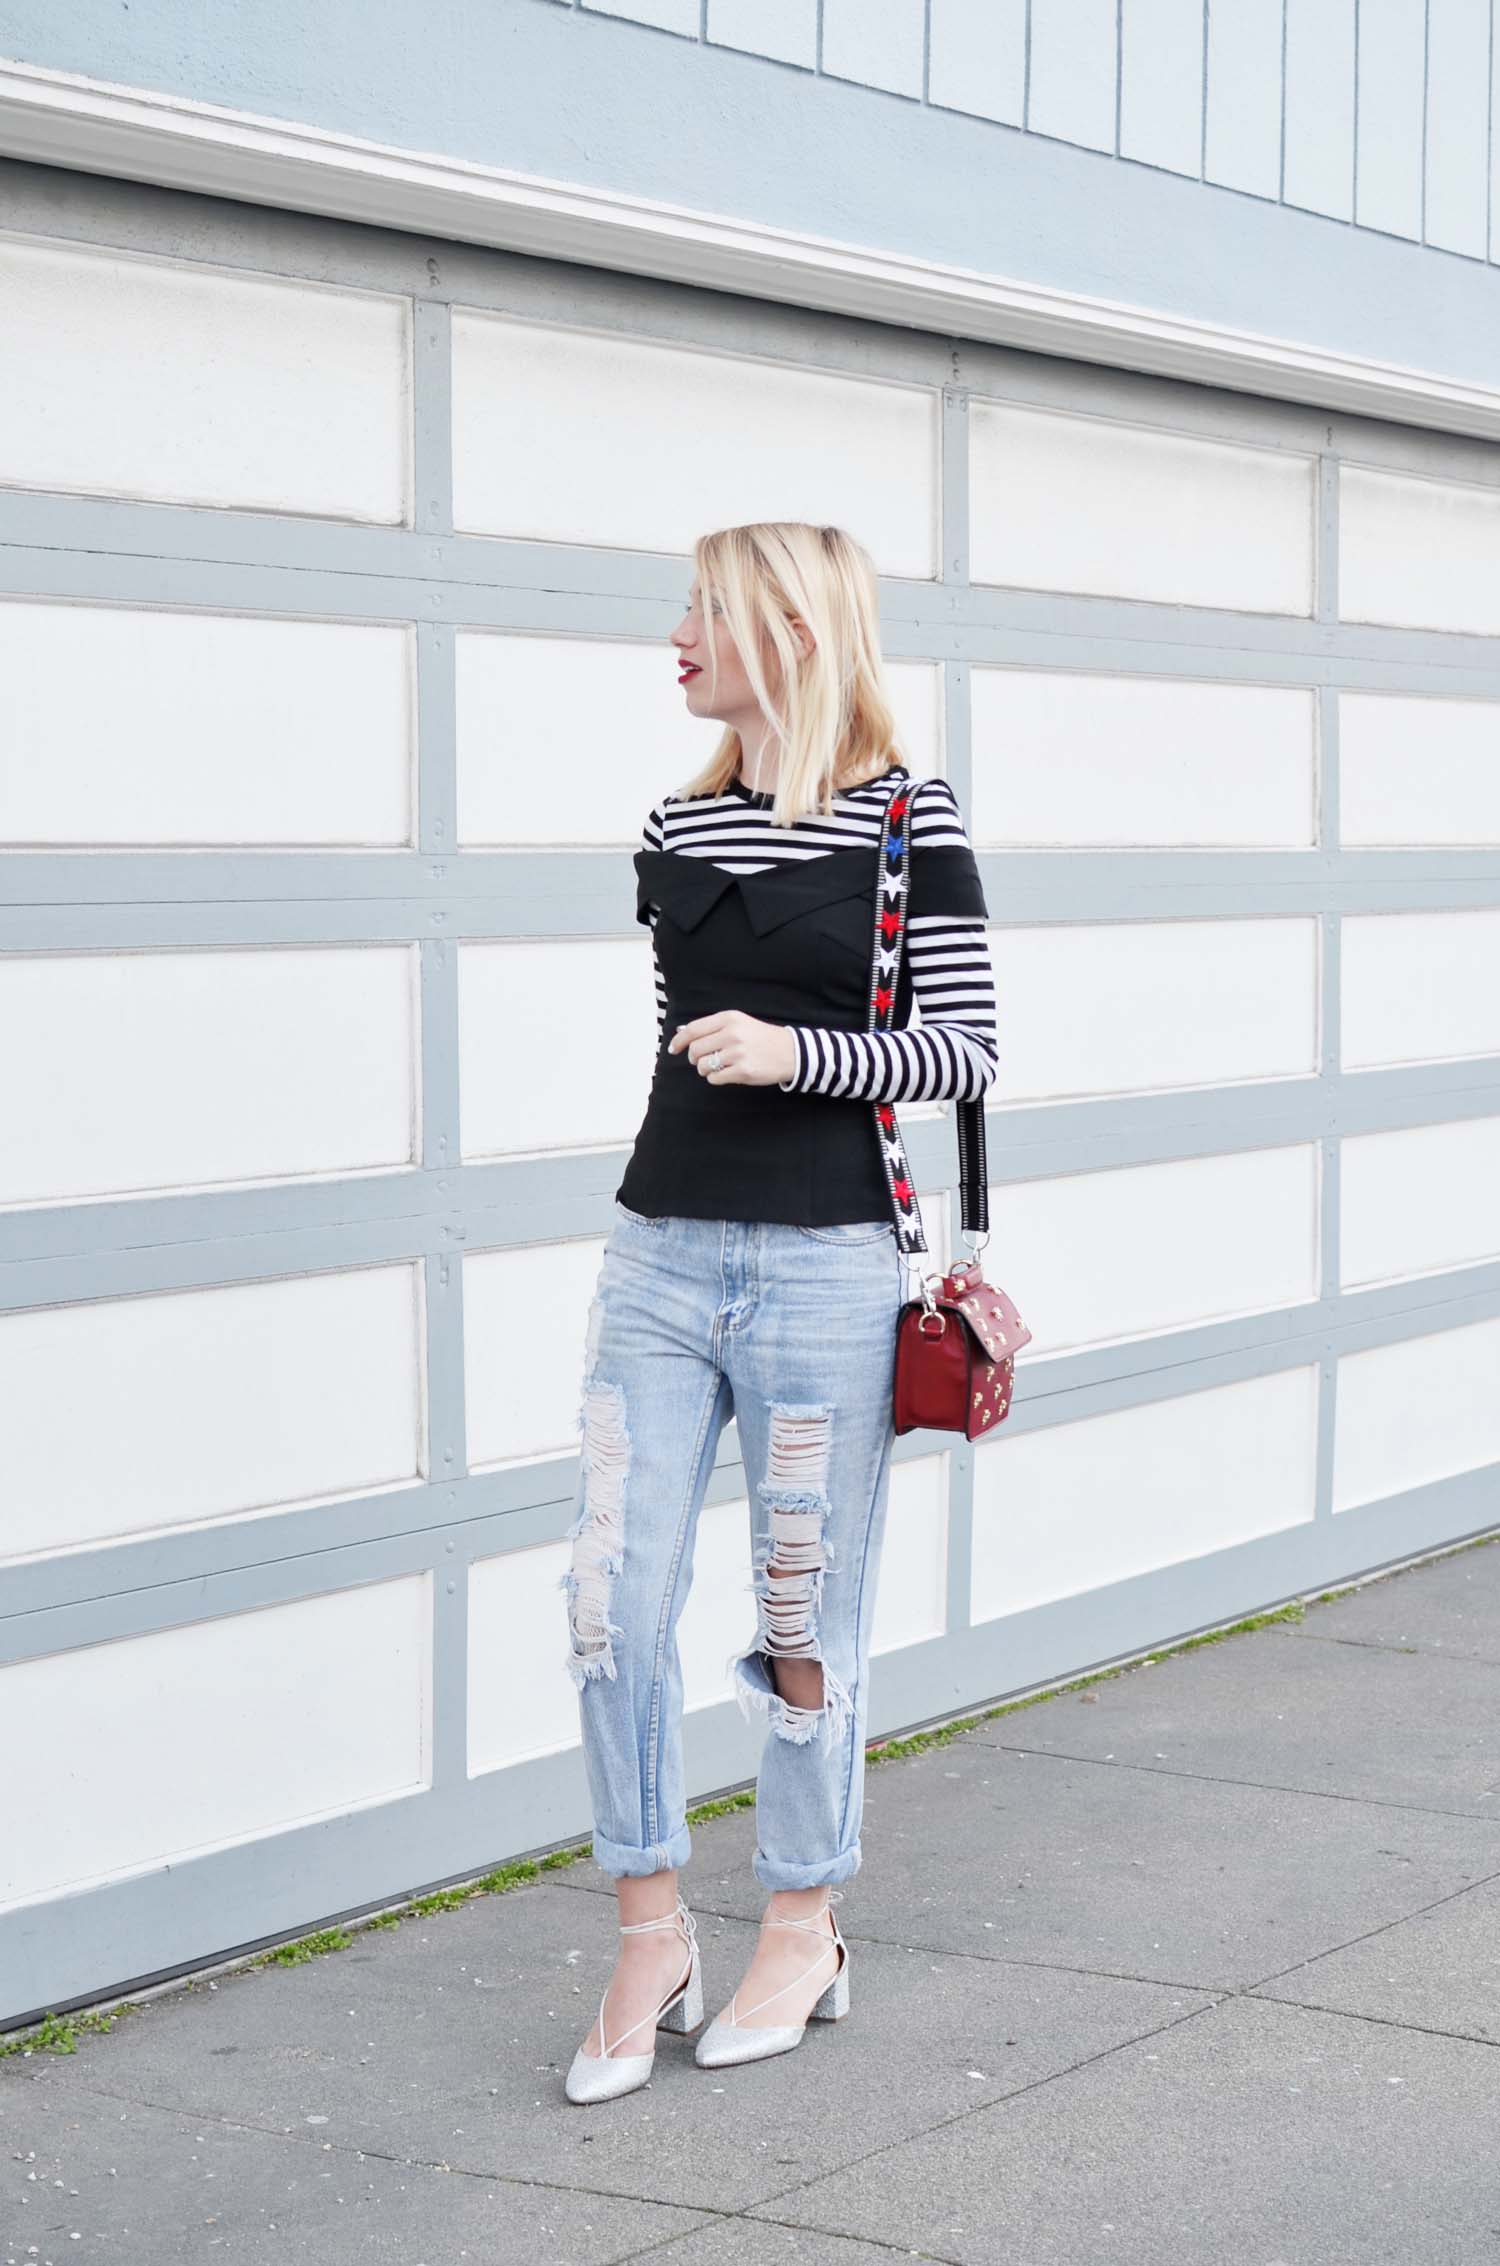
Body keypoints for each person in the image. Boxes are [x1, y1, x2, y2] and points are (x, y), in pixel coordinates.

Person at [560, 521, 999, 2104]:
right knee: (613, 1595)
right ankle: (650, 1922)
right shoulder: (675, 824)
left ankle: (804, 1920)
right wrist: (733, 1053)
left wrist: (797, 1052)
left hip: (825, 1265)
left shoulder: (905, 818)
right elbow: (688, 1044)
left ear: (794, 634)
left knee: (803, 1617)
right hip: (660, 1256)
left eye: (707, 611)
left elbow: (965, 1048)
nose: (677, 634)